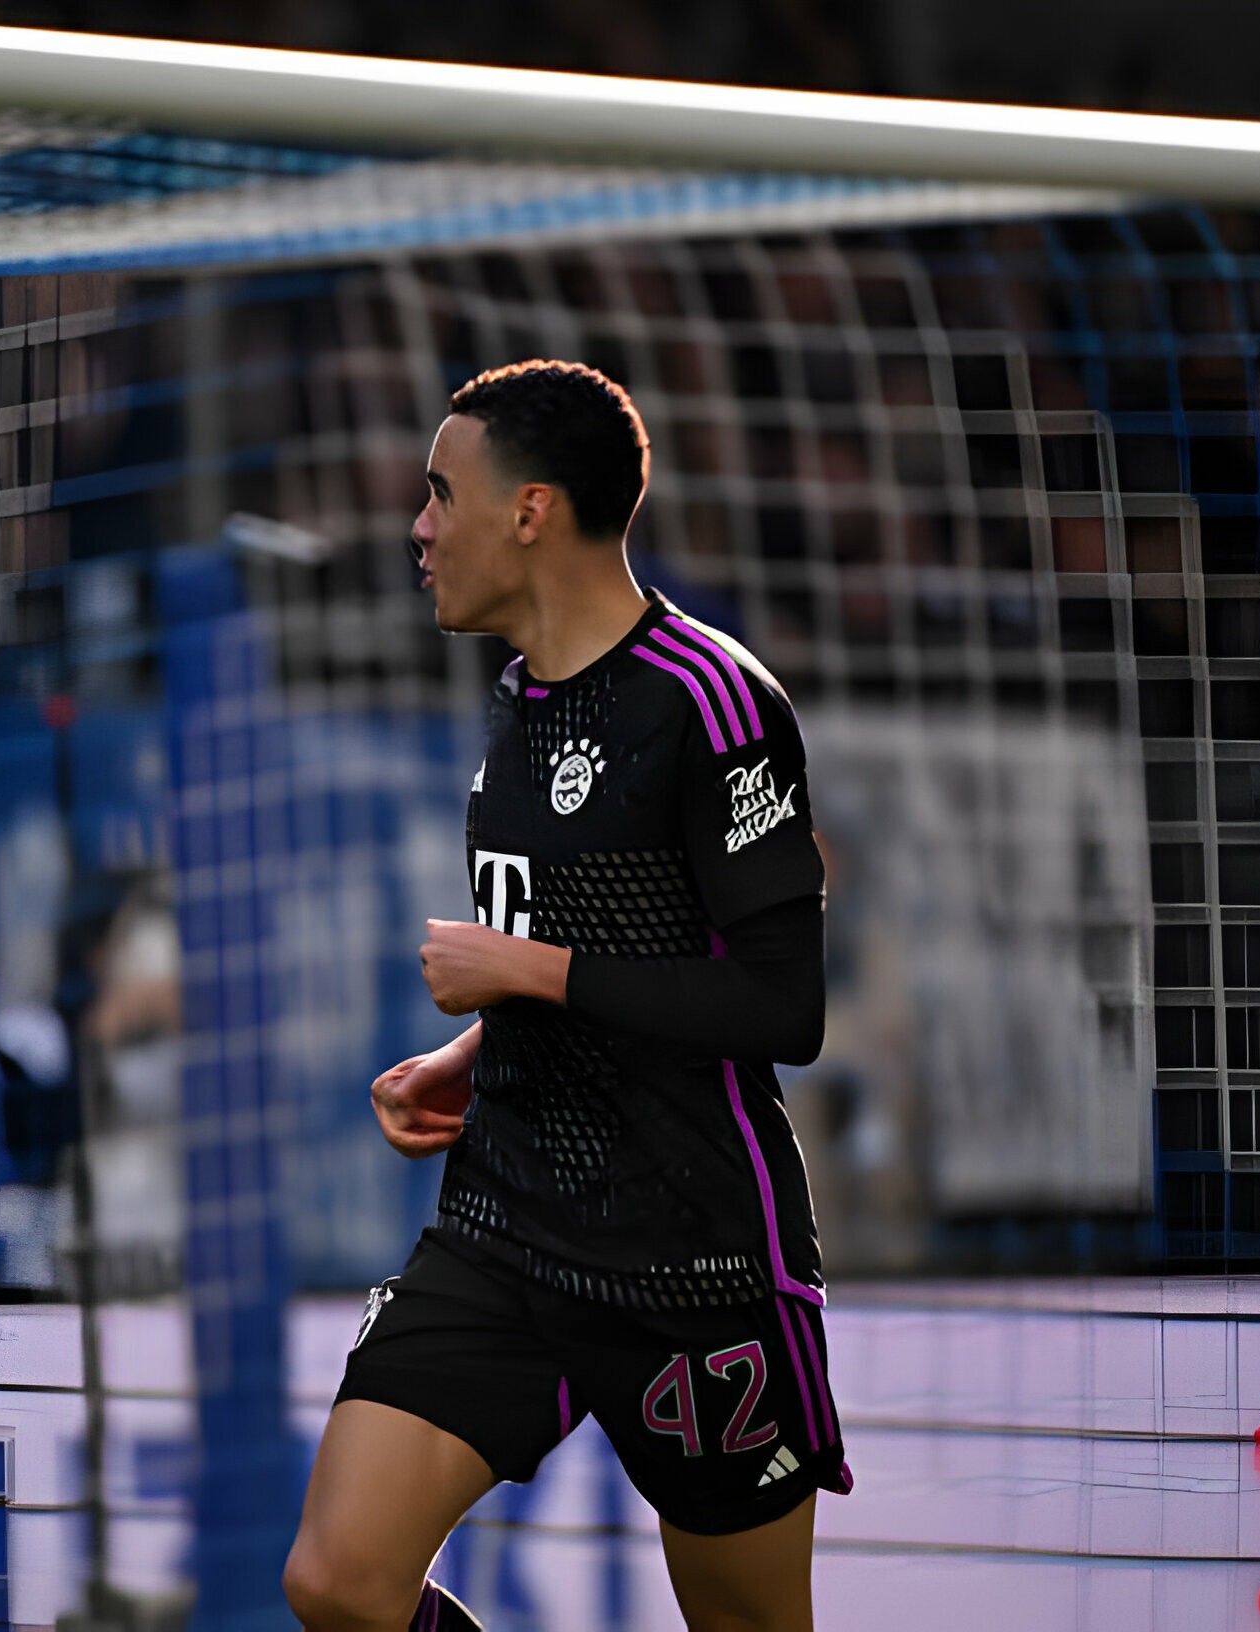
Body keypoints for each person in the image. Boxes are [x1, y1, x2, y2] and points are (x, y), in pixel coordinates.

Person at [283, 361, 844, 1631]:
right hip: (504, 1226)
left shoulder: (716, 703)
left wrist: (524, 974)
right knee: (337, 1583)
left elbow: (779, 1007)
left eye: (440, 495)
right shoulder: (522, 699)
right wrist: (477, 1055)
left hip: (693, 1253)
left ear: (529, 511)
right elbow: (596, 946)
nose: (419, 528)